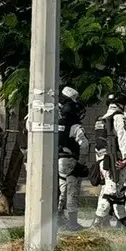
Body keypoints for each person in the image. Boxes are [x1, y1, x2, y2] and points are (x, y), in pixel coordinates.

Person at [92, 94, 126, 229]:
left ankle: (124, 221)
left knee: (118, 191)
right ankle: (98, 222)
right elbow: (123, 138)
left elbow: (98, 144)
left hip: (102, 160)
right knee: (111, 192)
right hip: (115, 160)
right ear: (122, 105)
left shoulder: (100, 120)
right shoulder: (119, 117)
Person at [56, 86, 91, 231]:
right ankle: (72, 222)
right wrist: (81, 163)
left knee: (61, 191)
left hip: (58, 160)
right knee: (72, 192)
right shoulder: (75, 126)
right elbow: (84, 145)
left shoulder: (55, 121)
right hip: (70, 160)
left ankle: (57, 218)